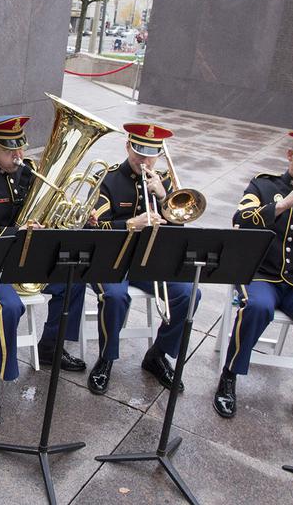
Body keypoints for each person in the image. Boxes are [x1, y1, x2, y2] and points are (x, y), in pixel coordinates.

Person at [0, 115, 84, 427]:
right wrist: (15, 230)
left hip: (23, 260)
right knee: (8, 307)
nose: (18, 155)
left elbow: (49, 211)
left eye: (20, 147)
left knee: (74, 278)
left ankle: (50, 346)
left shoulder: (30, 172)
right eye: (9, 149)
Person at [214, 130, 293, 438]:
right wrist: (283, 204)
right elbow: (239, 220)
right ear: (290, 155)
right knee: (257, 307)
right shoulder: (263, 184)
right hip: (262, 271)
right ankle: (230, 374)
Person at [85, 123, 201, 395]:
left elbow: (178, 233)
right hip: (110, 260)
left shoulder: (167, 184)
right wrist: (130, 224)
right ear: (128, 147)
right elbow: (92, 229)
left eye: (152, 155)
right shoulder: (108, 179)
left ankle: (158, 355)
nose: (145, 161)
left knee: (189, 293)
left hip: (150, 261)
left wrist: (163, 196)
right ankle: (106, 358)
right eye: (139, 153)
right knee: (115, 297)